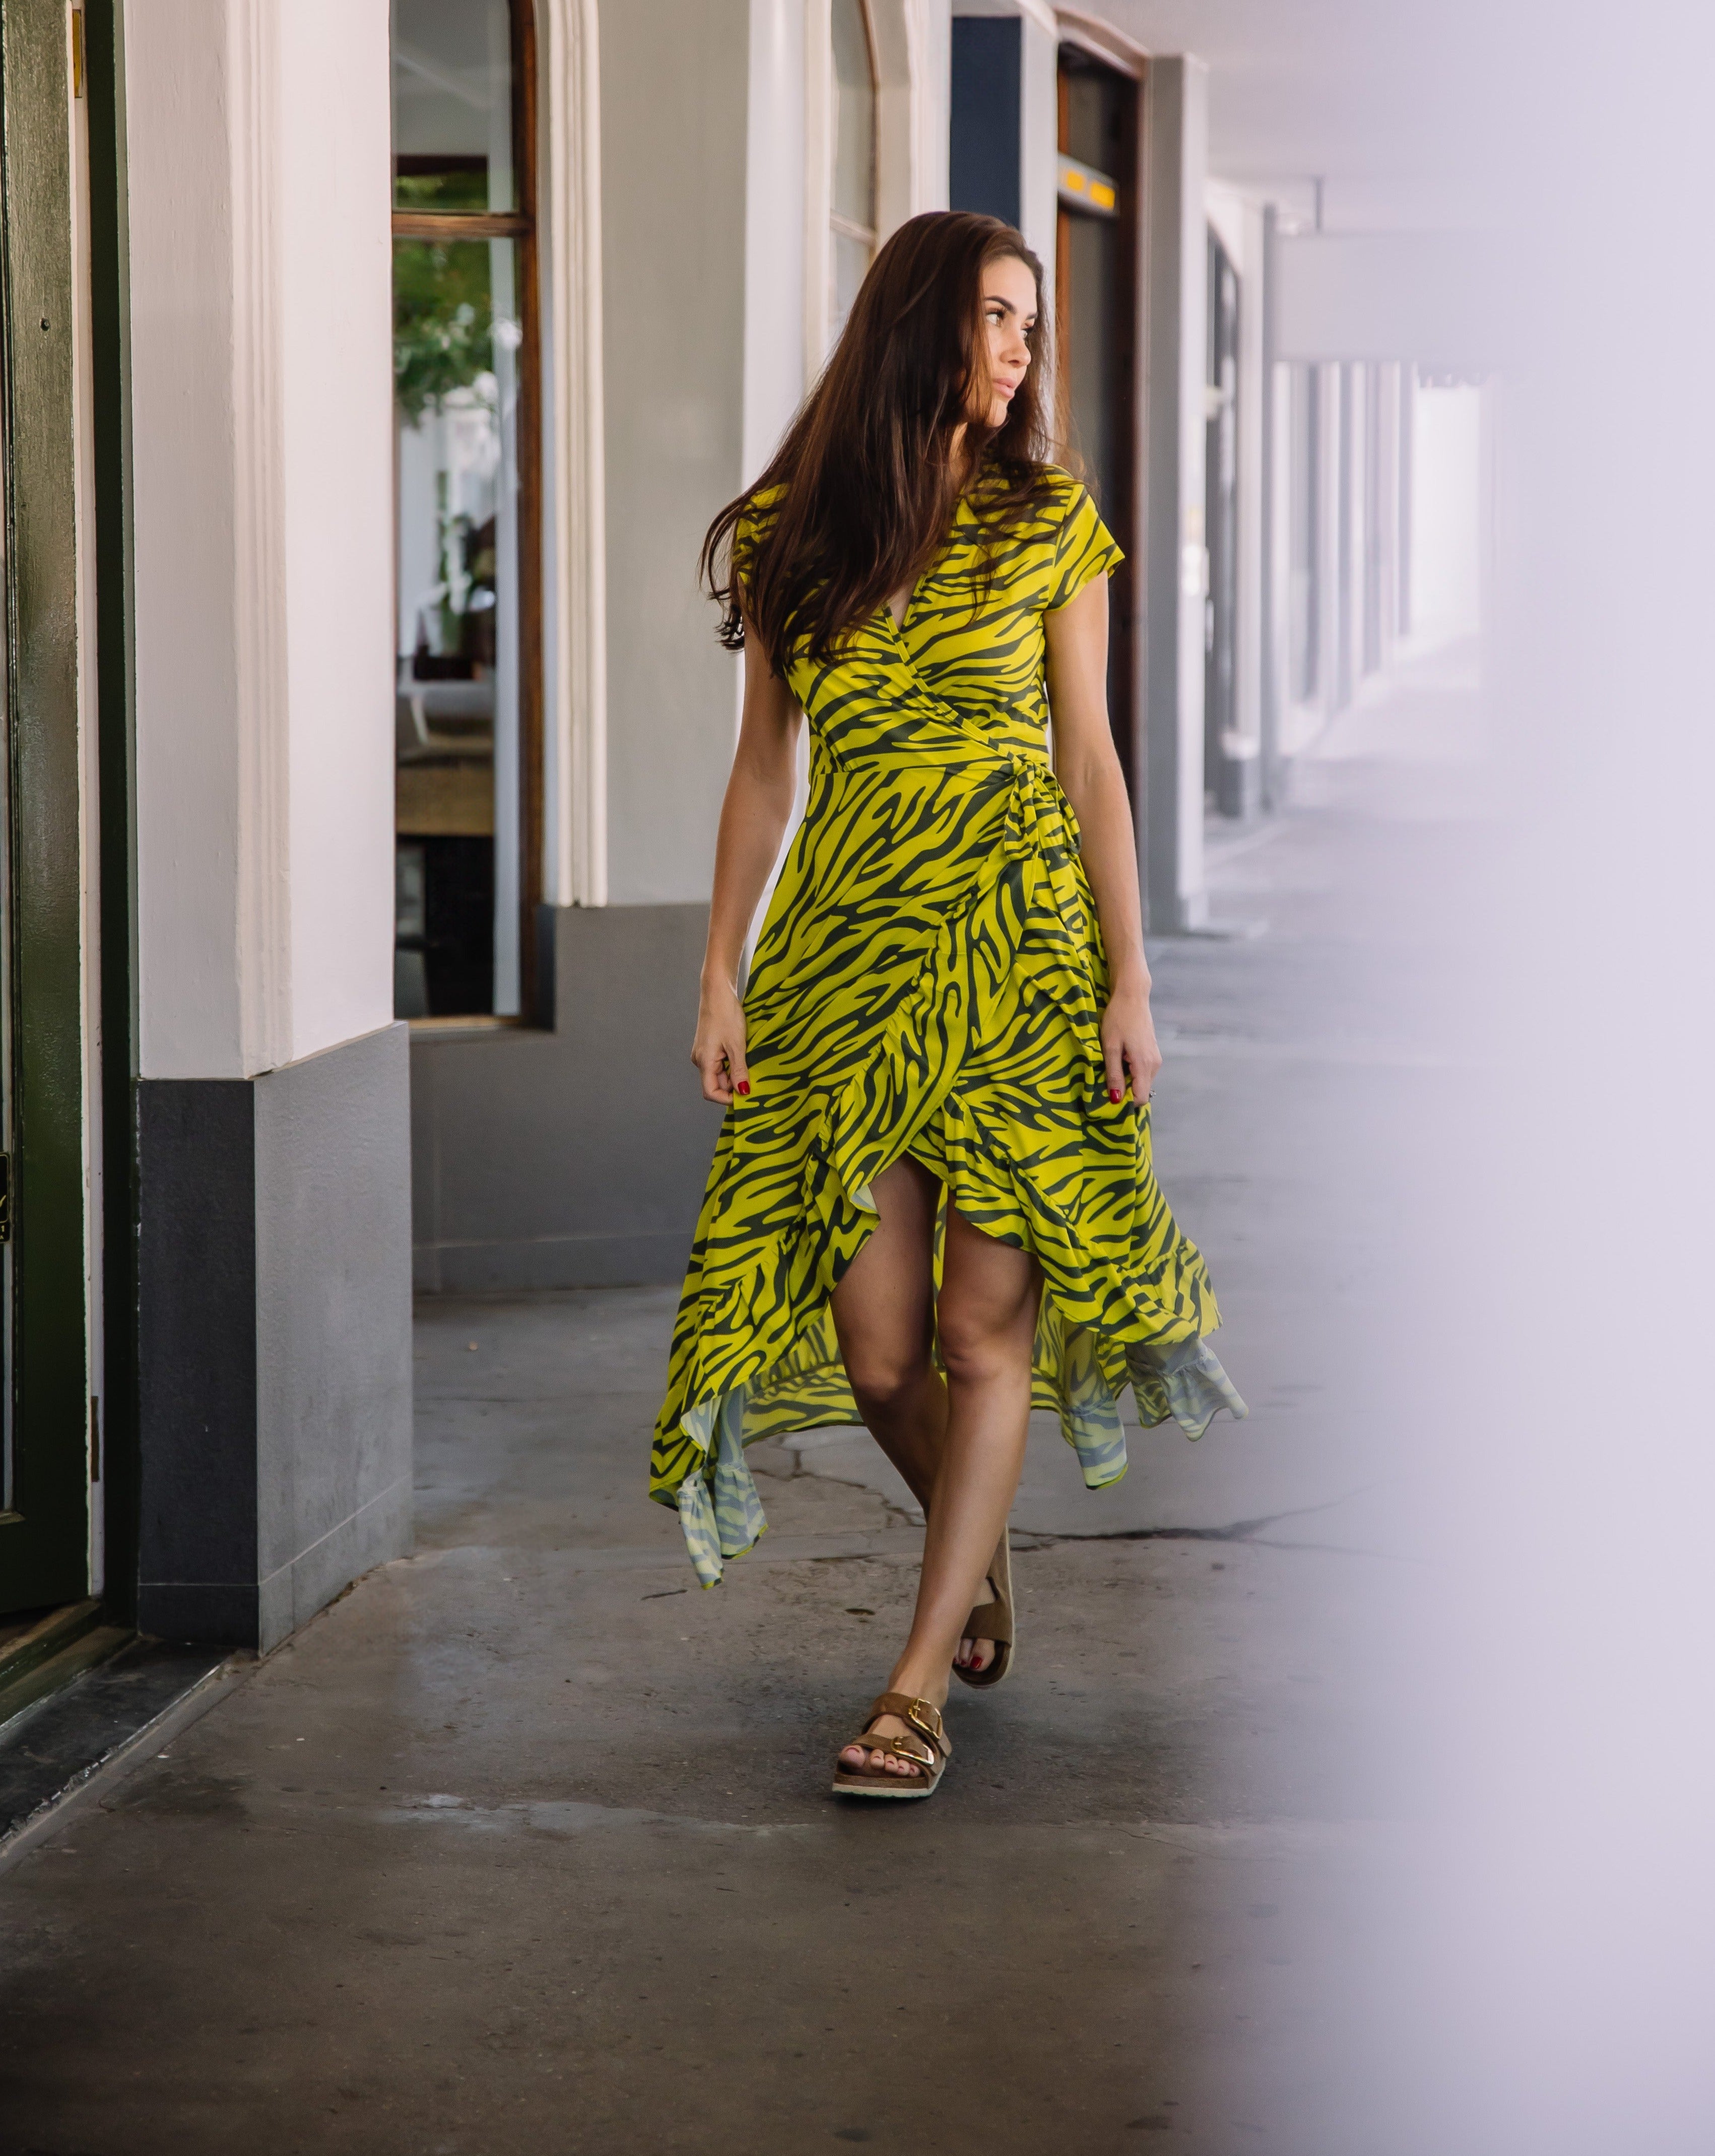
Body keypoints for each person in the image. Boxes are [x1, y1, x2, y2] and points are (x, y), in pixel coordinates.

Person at [649, 210, 1244, 1800]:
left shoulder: (1051, 522)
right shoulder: (798, 529)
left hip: (1021, 967)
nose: (1018, 347)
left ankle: (912, 1693)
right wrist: (716, 970)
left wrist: (1129, 974)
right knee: (877, 1351)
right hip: (842, 973)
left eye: (1030, 324)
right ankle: (969, 1554)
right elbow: (764, 772)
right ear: (921, 327)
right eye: (996, 316)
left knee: (986, 1340)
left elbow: (1090, 764)